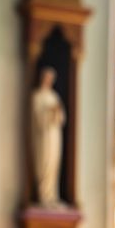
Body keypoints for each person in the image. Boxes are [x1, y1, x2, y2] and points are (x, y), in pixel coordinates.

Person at [31, 66, 66, 208]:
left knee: (53, 163)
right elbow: (38, 118)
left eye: (51, 78)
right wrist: (49, 113)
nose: (48, 80)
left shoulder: (54, 96)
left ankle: (52, 195)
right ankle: (43, 196)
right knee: (44, 163)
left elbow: (62, 118)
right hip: (44, 136)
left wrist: (56, 112)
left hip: (54, 135)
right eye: (47, 77)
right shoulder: (37, 96)